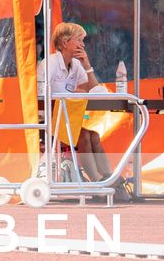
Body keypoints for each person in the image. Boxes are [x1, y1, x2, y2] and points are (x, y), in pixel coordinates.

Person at [42, 21, 115, 188]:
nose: (83, 45)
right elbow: (39, 93)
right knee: (83, 136)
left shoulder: (76, 65)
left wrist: (87, 66)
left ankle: (109, 178)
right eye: (79, 40)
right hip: (48, 123)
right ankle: (97, 183)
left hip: (67, 122)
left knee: (93, 135)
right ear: (65, 42)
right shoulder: (50, 62)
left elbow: (98, 93)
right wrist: (69, 96)